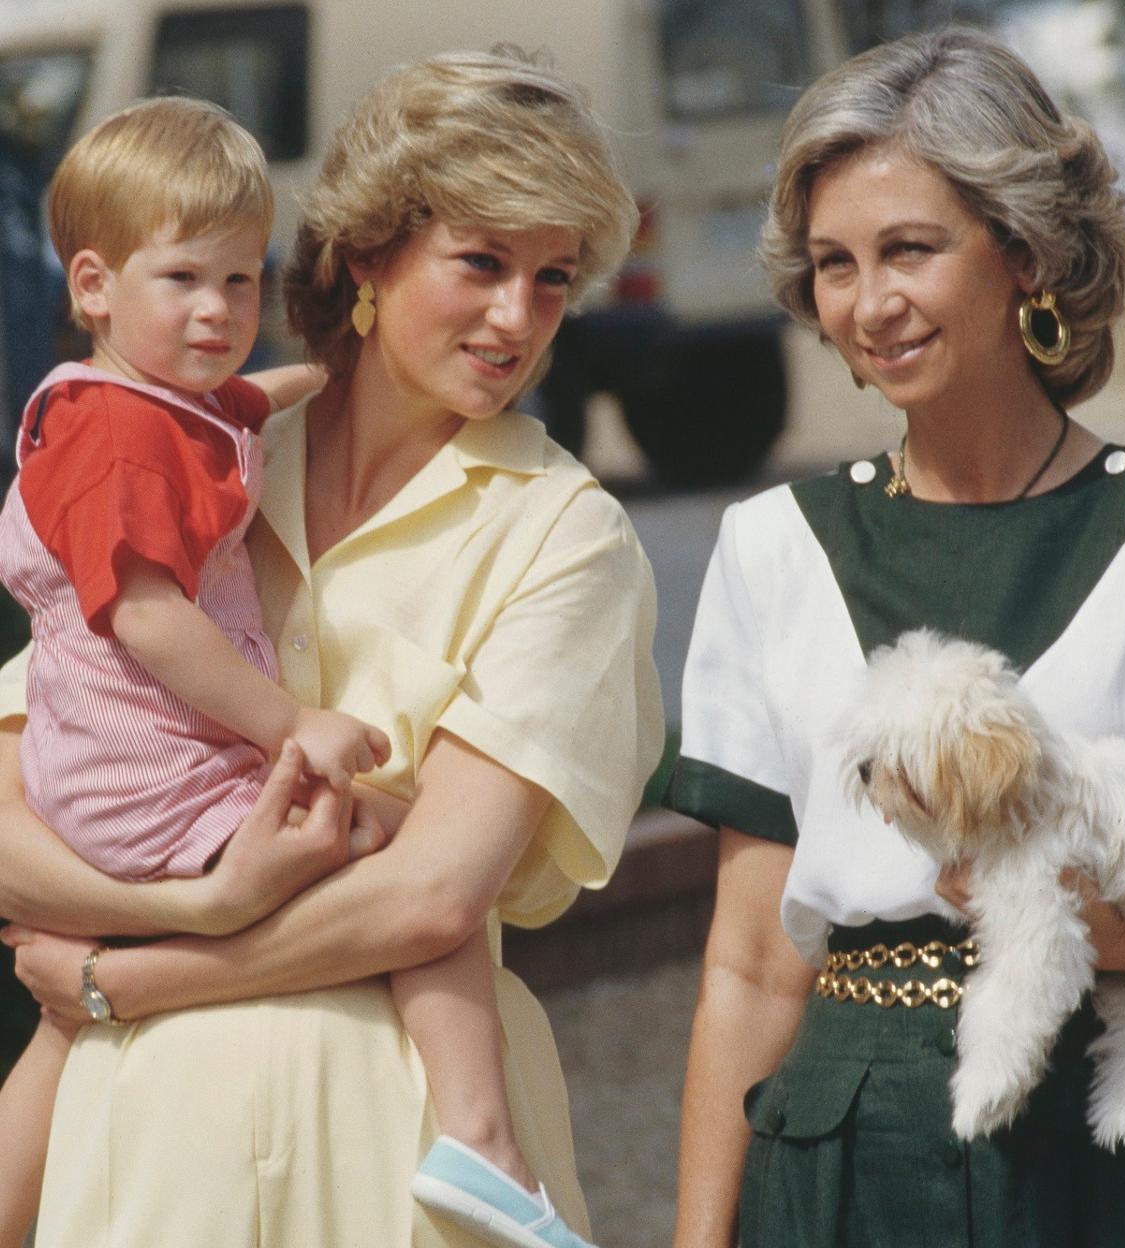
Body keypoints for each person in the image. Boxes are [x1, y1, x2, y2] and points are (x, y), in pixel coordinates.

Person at [0, 50, 663, 1248]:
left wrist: (128, 972)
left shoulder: (566, 538)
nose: (518, 317)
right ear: (368, 253)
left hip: (401, 1163)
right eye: (481, 261)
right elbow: (11, 819)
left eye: (554, 279)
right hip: (147, 1160)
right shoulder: (173, 450)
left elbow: (431, 896)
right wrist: (214, 904)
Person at [665, 28, 1125, 1248]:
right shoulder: (771, 547)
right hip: (838, 1154)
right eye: (834, 264)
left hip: (1111, 1146)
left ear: (1026, 252)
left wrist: (1117, 939)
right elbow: (751, 966)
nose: (870, 304)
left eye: (911, 250)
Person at [0, 95, 389, 1248]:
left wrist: (339, 378)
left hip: (110, 769)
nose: (219, 310)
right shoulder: (117, 440)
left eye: (241, 278)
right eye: (184, 280)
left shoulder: (146, 399)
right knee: (398, 854)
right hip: (146, 772)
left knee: (67, 1036)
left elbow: (238, 406)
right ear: (92, 286)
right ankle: (480, 1135)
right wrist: (291, 725)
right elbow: (152, 620)